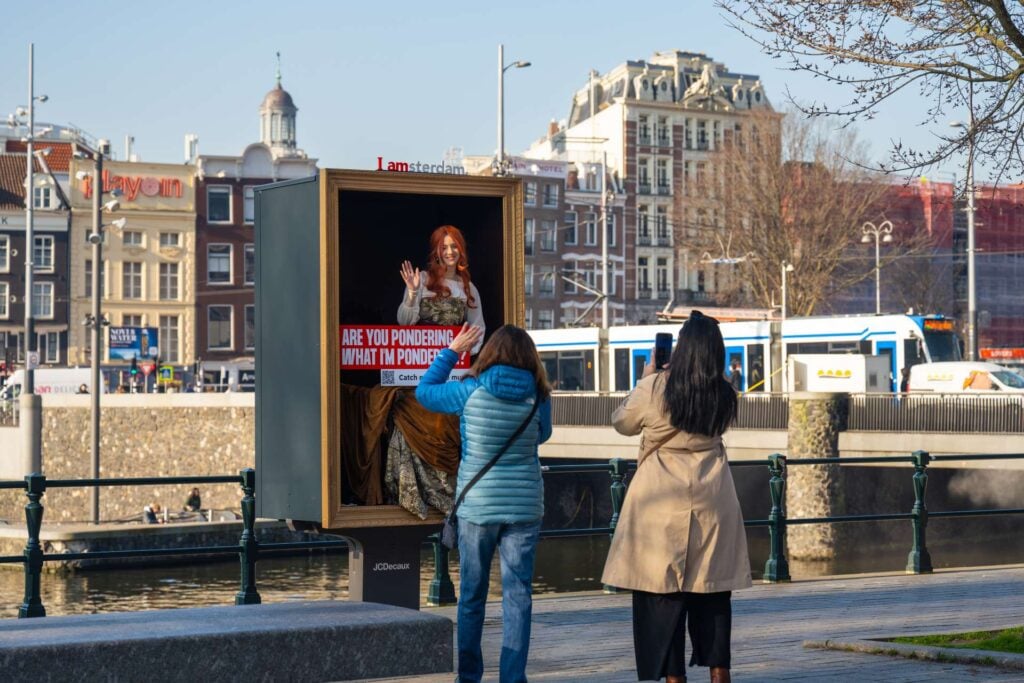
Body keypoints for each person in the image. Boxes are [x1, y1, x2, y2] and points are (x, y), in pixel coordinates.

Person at [602, 311, 751, 683]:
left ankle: (673, 677)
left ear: (680, 349)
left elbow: (621, 422)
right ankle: (719, 672)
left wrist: (647, 378)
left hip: (660, 499)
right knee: (713, 591)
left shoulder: (656, 389)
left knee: (661, 595)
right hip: (713, 495)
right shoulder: (725, 394)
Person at [416, 323, 552, 683]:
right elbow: (544, 435)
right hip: (524, 508)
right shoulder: (539, 396)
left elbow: (425, 392)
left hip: (478, 507)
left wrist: (451, 350)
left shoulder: (470, 391)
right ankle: (512, 677)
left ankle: (470, 676)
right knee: (518, 596)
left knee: (472, 596)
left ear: (490, 353)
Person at [387, 225, 485, 519]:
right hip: (421, 371)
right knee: (409, 409)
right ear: (436, 251)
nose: (450, 252)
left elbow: (479, 329)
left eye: (454, 246)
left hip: (453, 371)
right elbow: (404, 323)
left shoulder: (469, 288)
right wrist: (413, 293)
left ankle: (449, 496)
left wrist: (465, 347)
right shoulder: (424, 280)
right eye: (444, 247)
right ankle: (414, 493)